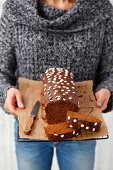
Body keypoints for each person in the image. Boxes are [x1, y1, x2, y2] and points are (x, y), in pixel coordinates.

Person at [0, 0, 113, 170]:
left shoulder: (100, 9)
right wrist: (6, 91)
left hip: (80, 130)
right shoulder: (15, 7)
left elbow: (109, 70)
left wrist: (107, 88)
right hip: (30, 126)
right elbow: (2, 70)